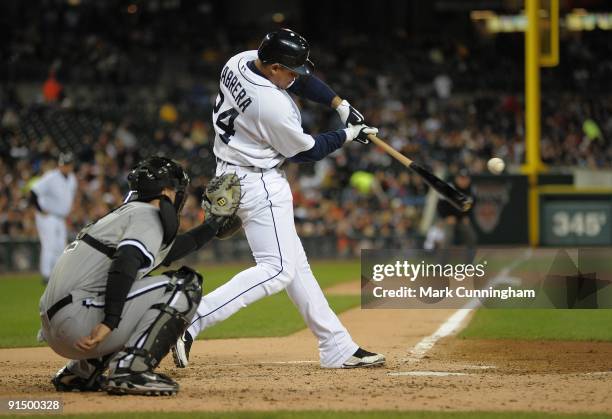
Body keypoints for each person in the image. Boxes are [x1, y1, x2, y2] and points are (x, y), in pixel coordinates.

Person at [173, 28, 385, 369]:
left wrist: (340, 104)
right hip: (257, 182)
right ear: (273, 68)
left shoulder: (240, 60)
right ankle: (192, 320)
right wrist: (349, 134)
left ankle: (336, 345)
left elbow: (297, 81)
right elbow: (308, 151)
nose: (296, 76)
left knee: (295, 265)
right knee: (279, 269)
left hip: (230, 170)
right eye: (290, 70)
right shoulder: (270, 106)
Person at [39, 157, 241, 396]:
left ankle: (81, 372)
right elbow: (126, 261)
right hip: (79, 322)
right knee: (184, 286)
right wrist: (110, 321)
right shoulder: (147, 215)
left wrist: (213, 226)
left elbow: (170, 252)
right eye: (177, 191)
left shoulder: (128, 214)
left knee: (137, 291)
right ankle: (131, 370)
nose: (179, 196)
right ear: (166, 191)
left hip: (59, 323)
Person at [30, 152, 77, 285]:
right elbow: (33, 192)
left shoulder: (72, 178)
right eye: (63, 164)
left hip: (60, 217)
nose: (65, 167)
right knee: (49, 244)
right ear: (59, 165)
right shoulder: (51, 177)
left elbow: (68, 198)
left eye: (68, 165)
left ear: (71, 166)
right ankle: (46, 275)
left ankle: (56, 274)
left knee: (61, 246)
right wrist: (39, 210)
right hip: (47, 216)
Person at [436, 169, 477, 263]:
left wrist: (466, 216)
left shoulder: (472, 189)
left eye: (466, 178)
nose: (464, 181)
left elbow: (472, 205)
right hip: (448, 217)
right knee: (447, 238)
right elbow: (440, 205)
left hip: (461, 218)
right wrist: (446, 217)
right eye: (461, 178)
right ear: (456, 178)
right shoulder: (449, 188)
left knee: (471, 238)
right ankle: (441, 265)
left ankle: (469, 264)